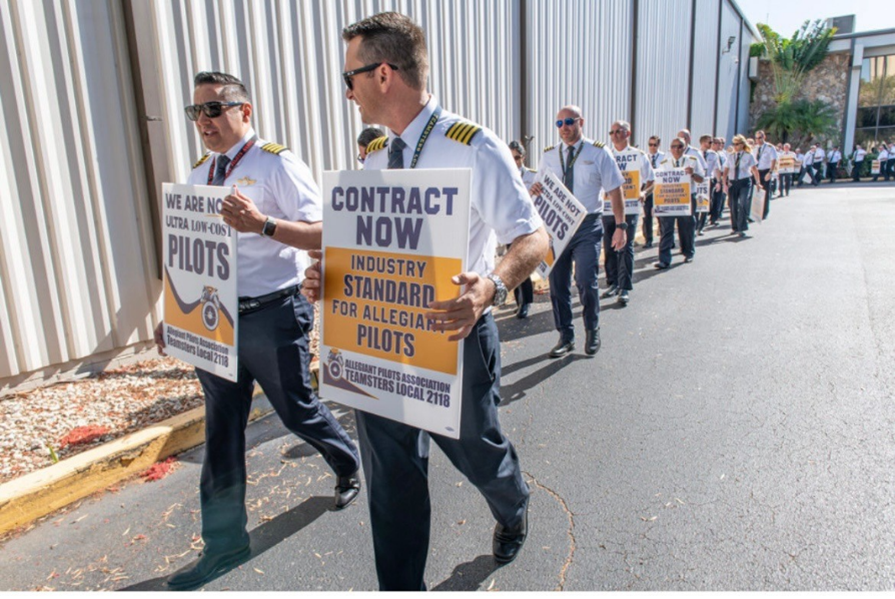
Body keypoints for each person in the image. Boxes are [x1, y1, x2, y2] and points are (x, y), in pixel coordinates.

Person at [303, 12, 549, 591]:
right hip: (378, 346)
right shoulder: (372, 160)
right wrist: (328, 278)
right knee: (390, 482)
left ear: (383, 74)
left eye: (350, 78)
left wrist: (491, 287)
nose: (346, 92)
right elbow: (363, 254)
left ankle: (512, 502)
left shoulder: (470, 145)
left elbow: (532, 237)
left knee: (477, 452)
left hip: (452, 340)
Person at [155, 71, 362, 591]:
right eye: (196, 112)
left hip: (273, 313)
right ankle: (224, 544)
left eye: (214, 109)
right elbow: (192, 248)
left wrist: (263, 225)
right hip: (215, 318)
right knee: (221, 433)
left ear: (245, 111)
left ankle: (347, 460)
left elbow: (327, 230)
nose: (203, 121)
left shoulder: (276, 163)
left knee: (296, 410)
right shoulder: (201, 171)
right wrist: (174, 312)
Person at [530, 105, 626, 357]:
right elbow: (539, 186)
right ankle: (566, 336)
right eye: (559, 123)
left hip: (587, 225)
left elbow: (615, 189)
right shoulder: (549, 155)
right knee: (557, 285)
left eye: (569, 121)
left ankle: (592, 329)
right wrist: (536, 189)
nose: (564, 128)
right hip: (556, 228)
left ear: (581, 121)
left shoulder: (598, 152)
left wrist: (621, 226)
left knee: (585, 279)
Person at [603, 120, 654, 305]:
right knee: (609, 247)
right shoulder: (605, 155)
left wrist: (643, 192)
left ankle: (624, 287)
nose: (615, 135)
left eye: (619, 131)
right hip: (607, 208)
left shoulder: (638, 156)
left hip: (630, 208)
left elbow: (652, 181)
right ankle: (613, 282)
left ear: (628, 133)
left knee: (625, 246)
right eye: (612, 132)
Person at [654, 137, 704, 268]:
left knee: (686, 226)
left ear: (685, 147)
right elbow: (659, 181)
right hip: (668, 199)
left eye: (679, 146)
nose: (676, 149)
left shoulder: (692, 161)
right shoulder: (664, 162)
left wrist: (692, 174)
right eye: (673, 146)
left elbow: (701, 179)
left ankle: (688, 252)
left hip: (686, 198)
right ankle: (664, 259)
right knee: (666, 228)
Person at [509, 139, 537, 318]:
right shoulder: (504, 176)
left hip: (527, 227)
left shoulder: (533, 176)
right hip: (510, 227)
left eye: (517, 158)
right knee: (513, 266)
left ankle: (526, 302)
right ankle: (519, 301)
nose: (515, 162)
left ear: (523, 157)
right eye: (511, 158)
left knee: (523, 266)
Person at [723, 134, 763, 237]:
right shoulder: (731, 156)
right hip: (733, 182)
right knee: (733, 205)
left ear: (742, 144)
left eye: (737, 144)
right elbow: (726, 170)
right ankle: (735, 226)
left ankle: (742, 227)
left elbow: (754, 169)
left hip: (744, 181)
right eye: (734, 144)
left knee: (743, 202)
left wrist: (758, 182)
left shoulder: (748, 155)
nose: (735, 146)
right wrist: (724, 183)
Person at [696, 135, 721, 235]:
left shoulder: (713, 155)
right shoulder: (696, 153)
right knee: (697, 203)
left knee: (706, 203)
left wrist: (718, 182)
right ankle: (696, 224)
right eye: (709, 142)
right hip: (697, 180)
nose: (711, 144)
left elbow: (717, 168)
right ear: (702, 143)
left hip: (708, 181)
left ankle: (701, 226)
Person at [643, 135, 664, 248]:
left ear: (658, 145)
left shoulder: (664, 157)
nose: (652, 147)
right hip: (648, 188)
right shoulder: (645, 157)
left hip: (660, 188)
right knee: (647, 215)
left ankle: (664, 236)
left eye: (654, 145)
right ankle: (648, 239)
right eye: (650, 145)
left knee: (661, 215)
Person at [752, 130, 777, 218]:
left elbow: (773, 160)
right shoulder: (754, 148)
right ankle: (755, 212)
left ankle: (764, 213)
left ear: (764, 137)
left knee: (765, 192)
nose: (758, 140)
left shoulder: (770, 147)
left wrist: (770, 172)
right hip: (756, 171)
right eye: (756, 138)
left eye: (760, 137)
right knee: (755, 191)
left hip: (765, 171)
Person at [709, 137, 728, 225]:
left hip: (720, 177)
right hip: (711, 178)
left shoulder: (723, 154)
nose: (720, 145)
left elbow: (725, 166)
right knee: (710, 199)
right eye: (717, 143)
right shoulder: (708, 154)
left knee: (718, 198)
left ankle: (714, 217)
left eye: (721, 143)